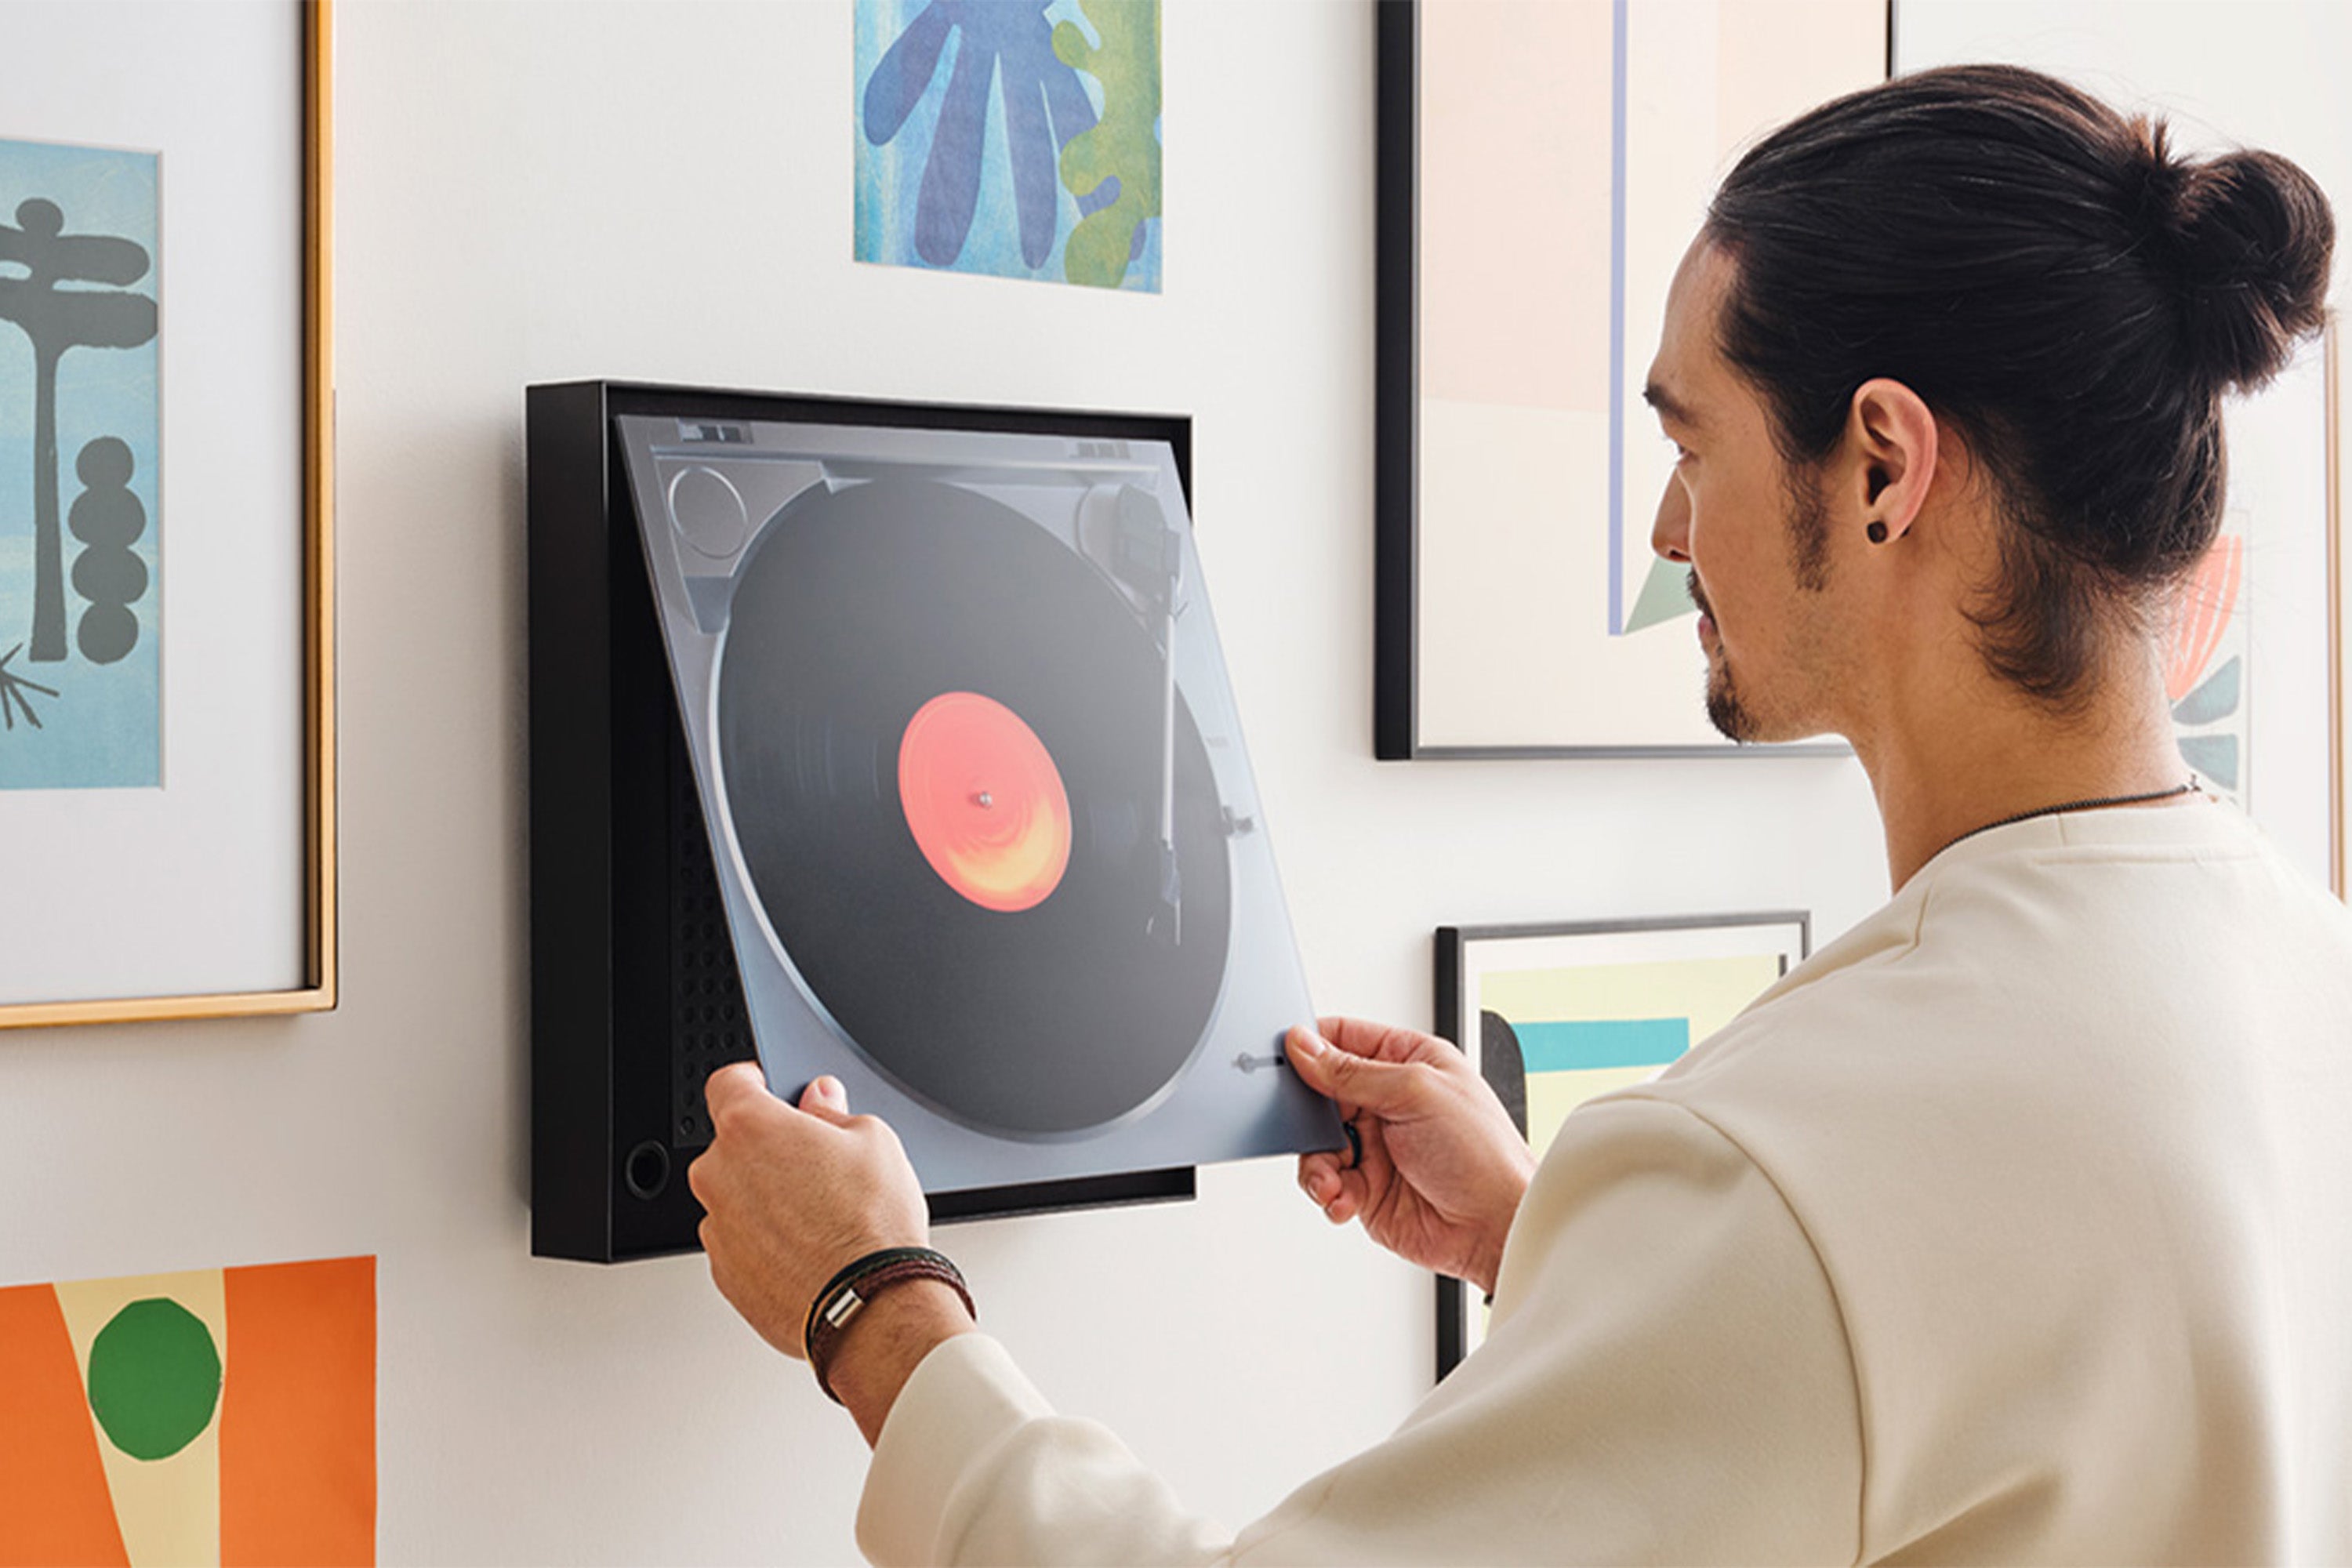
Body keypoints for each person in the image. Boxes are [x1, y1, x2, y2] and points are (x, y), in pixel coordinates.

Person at [689, 64, 2351, 1563]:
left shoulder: (1785, 1176)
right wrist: (1571, 1250)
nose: (1668, 524)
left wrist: (875, 1306)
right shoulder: (2309, 984)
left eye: (1691, 440)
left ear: (1882, 465)